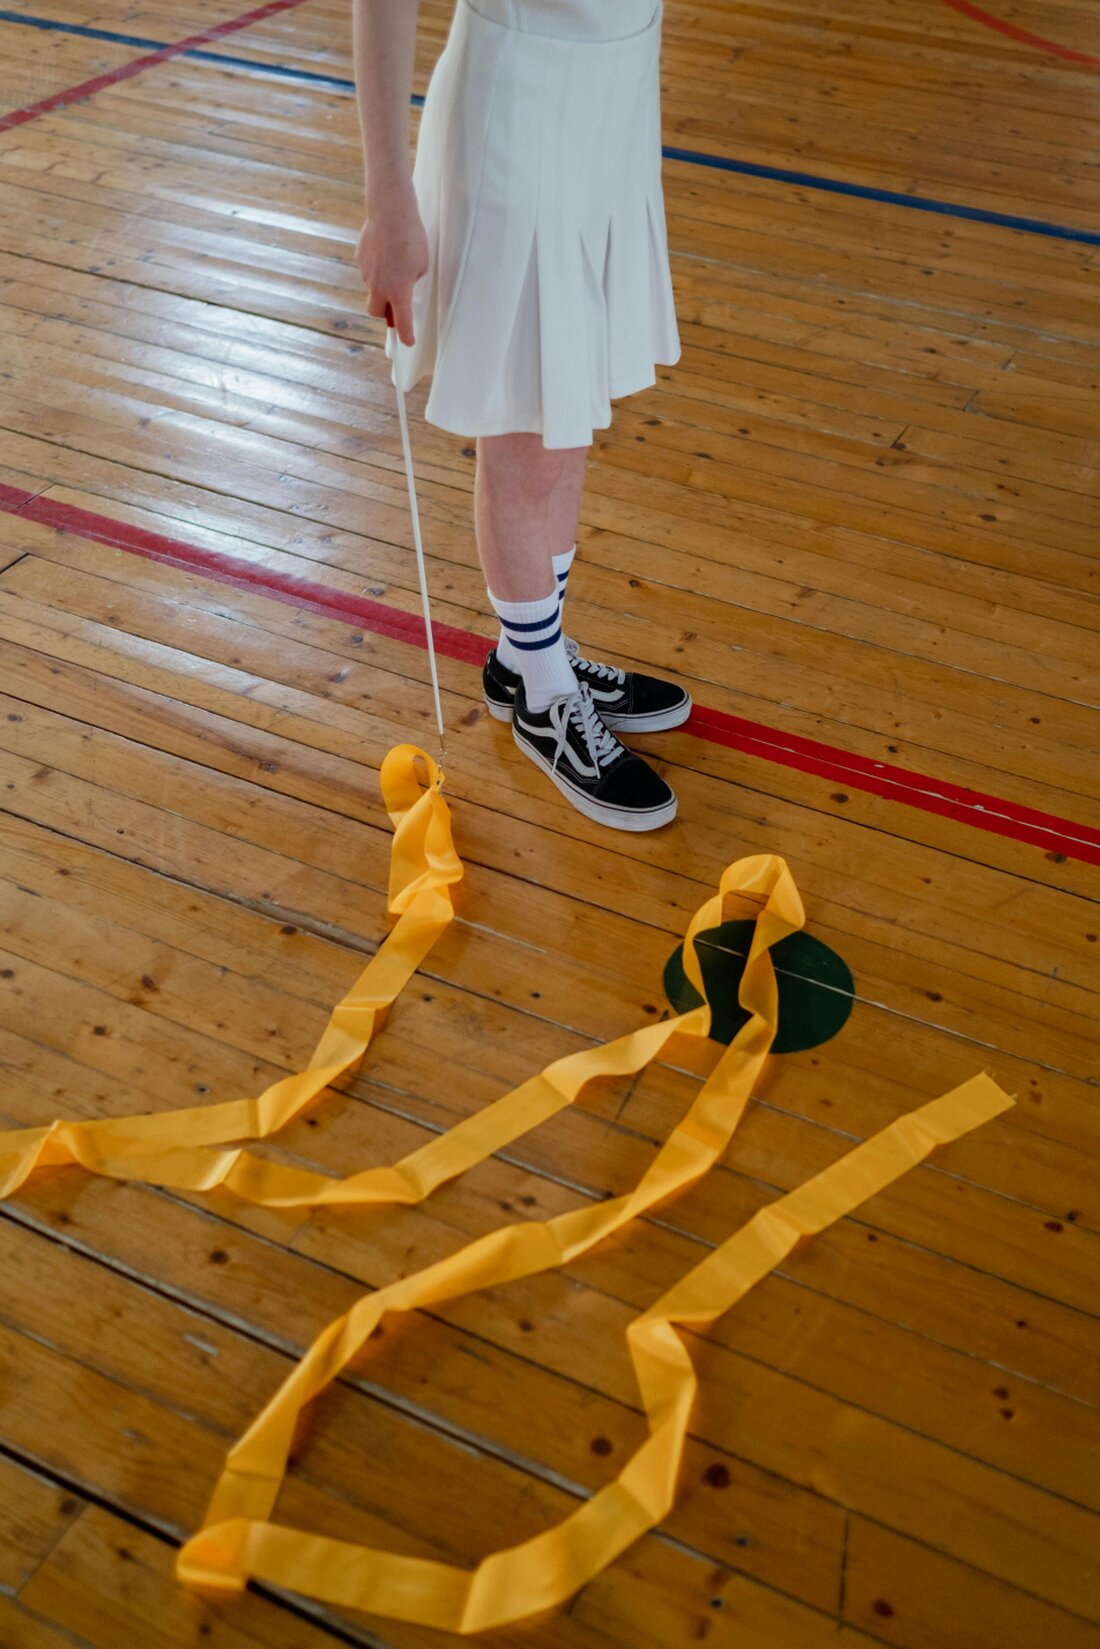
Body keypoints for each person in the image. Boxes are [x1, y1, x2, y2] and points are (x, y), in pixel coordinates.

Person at [353, 0, 691, 831]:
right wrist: (388, 197)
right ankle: (542, 699)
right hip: (520, 115)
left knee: (569, 420)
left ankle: (528, 655)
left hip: (614, 105)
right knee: (529, 444)